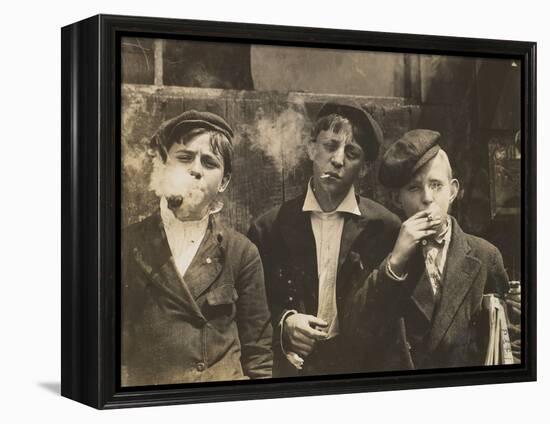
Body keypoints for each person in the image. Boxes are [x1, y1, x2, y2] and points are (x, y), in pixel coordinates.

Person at [248, 100, 401, 377]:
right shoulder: (269, 227)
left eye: (351, 153)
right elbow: (253, 307)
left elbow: (392, 311)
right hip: (295, 373)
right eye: (330, 146)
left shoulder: (385, 228)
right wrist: (285, 323)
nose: (338, 159)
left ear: (364, 168)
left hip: (363, 370)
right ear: (311, 149)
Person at [121, 110, 273, 386]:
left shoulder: (241, 253)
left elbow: (259, 355)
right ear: (164, 165)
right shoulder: (127, 245)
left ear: (224, 181)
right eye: (184, 157)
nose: (196, 169)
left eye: (210, 162)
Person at [355, 129, 519, 370]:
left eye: (436, 185)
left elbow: (510, 338)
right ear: (396, 199)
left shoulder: (485, 255)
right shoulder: (380, 254)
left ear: (453, 191)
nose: (427, 198)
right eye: (414, 188)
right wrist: (396, 261)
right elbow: (358, 330)